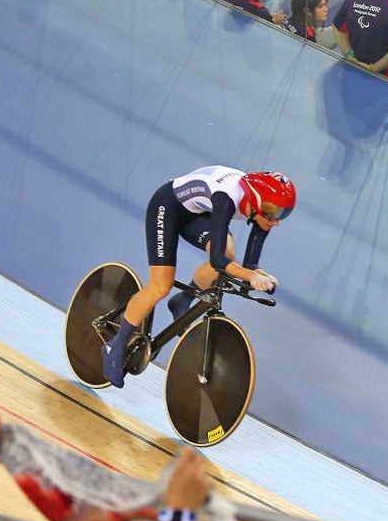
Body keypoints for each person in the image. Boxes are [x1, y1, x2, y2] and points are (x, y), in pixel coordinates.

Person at [102, 166, 295, 388]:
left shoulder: (264, 212)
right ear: (256, 202)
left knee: (228, 252)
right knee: (161, 286)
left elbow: (250, 265)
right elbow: (218, 262)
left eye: (283, 213)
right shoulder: (227, 198)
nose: (276, 220)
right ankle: (114, 346)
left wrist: (257, 274)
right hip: (168, 207)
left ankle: (183, 300)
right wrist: (250, 275)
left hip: (199, 213)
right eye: (274, 214)